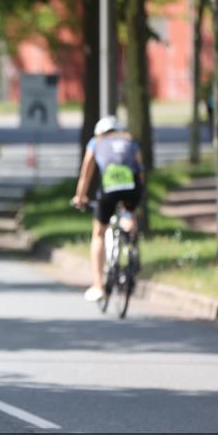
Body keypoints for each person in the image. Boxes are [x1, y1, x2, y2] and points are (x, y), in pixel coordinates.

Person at [72, 115, 145, 302]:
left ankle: (98, 285)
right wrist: (138, 195)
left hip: (110, 188)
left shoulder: (96, 142)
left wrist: (80, 197)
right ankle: (132, 250)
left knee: (98, 233)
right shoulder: (130, 140)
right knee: (128, 216)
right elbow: (140, 170)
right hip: (132, 187)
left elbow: (86, 172)